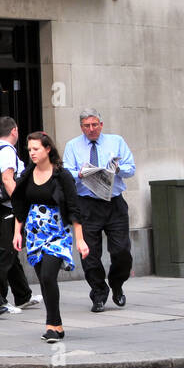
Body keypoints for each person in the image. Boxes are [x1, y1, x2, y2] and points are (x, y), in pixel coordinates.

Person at [13, 131, 88, 342]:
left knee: (48, 276)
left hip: (57, 234)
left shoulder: (62, 176)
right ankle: (56, 325)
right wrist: (17, 233)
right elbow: (20, 205)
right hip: (35, 235)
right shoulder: (28, 174)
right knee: (44, 281)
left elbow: (74, 208)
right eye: (29, 150)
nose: (32, 153)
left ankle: (52, 324)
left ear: (48, 149)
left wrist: (80, 239)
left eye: (36, 149)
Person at [62, 108, 136, 312]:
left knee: (121, 251)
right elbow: (65, 172)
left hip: (114, 203)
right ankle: (99, 293)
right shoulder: (73, 146)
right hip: (87, 204)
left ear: (101, 125)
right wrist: (80, 173)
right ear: (81, 127)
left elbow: (131, 167)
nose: (91, 129)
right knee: (90, 254)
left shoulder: (116, 142)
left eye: (95, 125)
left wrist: (118, 169)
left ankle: (117, 284)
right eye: (87, 126)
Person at [0, 117, 41, 314]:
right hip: (8, 208)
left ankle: (22, 295)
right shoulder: (6, 151)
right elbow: (8, 179)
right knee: (3, 254)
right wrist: (19, 205)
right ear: (14, 130)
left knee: (10, 252)